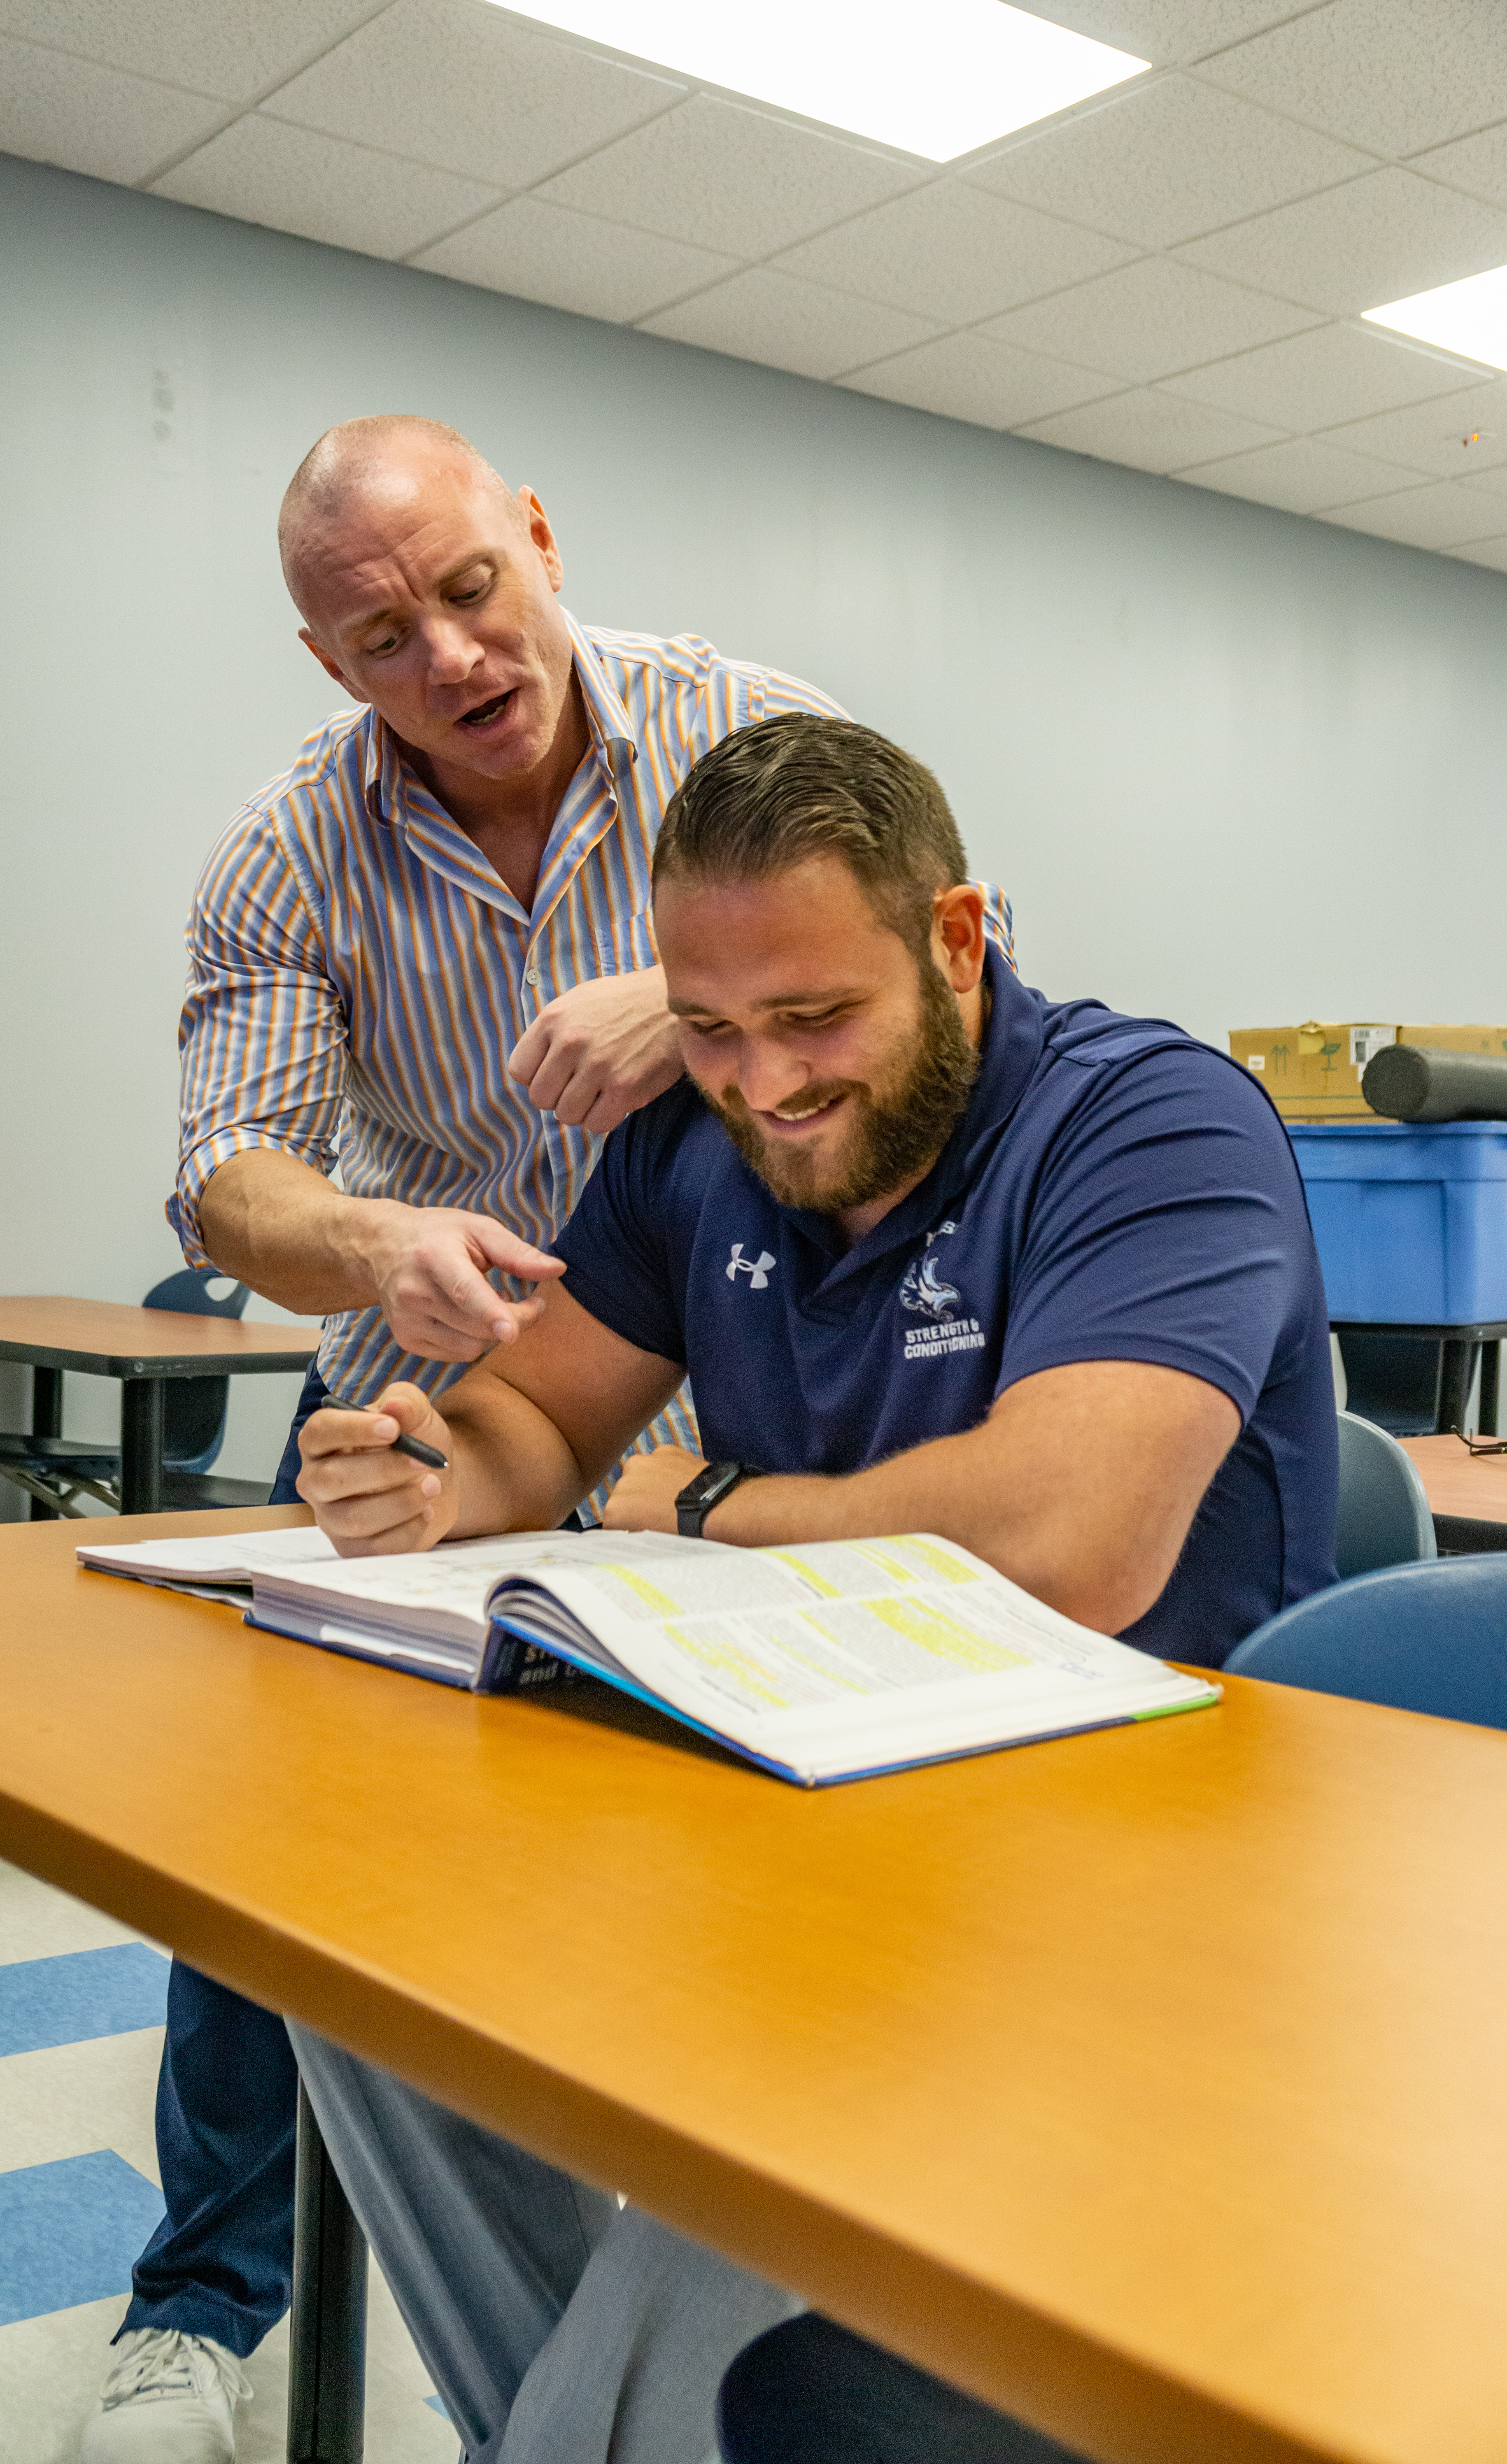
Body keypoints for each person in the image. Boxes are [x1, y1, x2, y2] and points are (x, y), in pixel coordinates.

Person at [84, 414, 1016, 2461]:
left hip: (723, 1396)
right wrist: (371, 1237)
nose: (447, 654)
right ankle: (201, 2307)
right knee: (280, 1863)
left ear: (538, 535)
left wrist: (661, 998)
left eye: (469, 589)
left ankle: (727, 2267)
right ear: (331, 665)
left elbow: (910, 992)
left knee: (759, 1845)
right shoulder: (286, 851)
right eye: (380, 633)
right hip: (434, 1399)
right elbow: (224, 1183)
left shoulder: (745, 729)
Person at [286, 713, 1337, 2463]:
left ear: (955, 937)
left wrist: (706, 1503)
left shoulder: (1152, 1124)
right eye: (704, 1029)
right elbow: (537, 1419)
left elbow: (1066, 1548)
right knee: (361, 1967)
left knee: (748, 2167)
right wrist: (422, 1468)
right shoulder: (692, 1147)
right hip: (798, 1807)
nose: (762, 1084)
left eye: (812, 1020)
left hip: (1133, 1869)